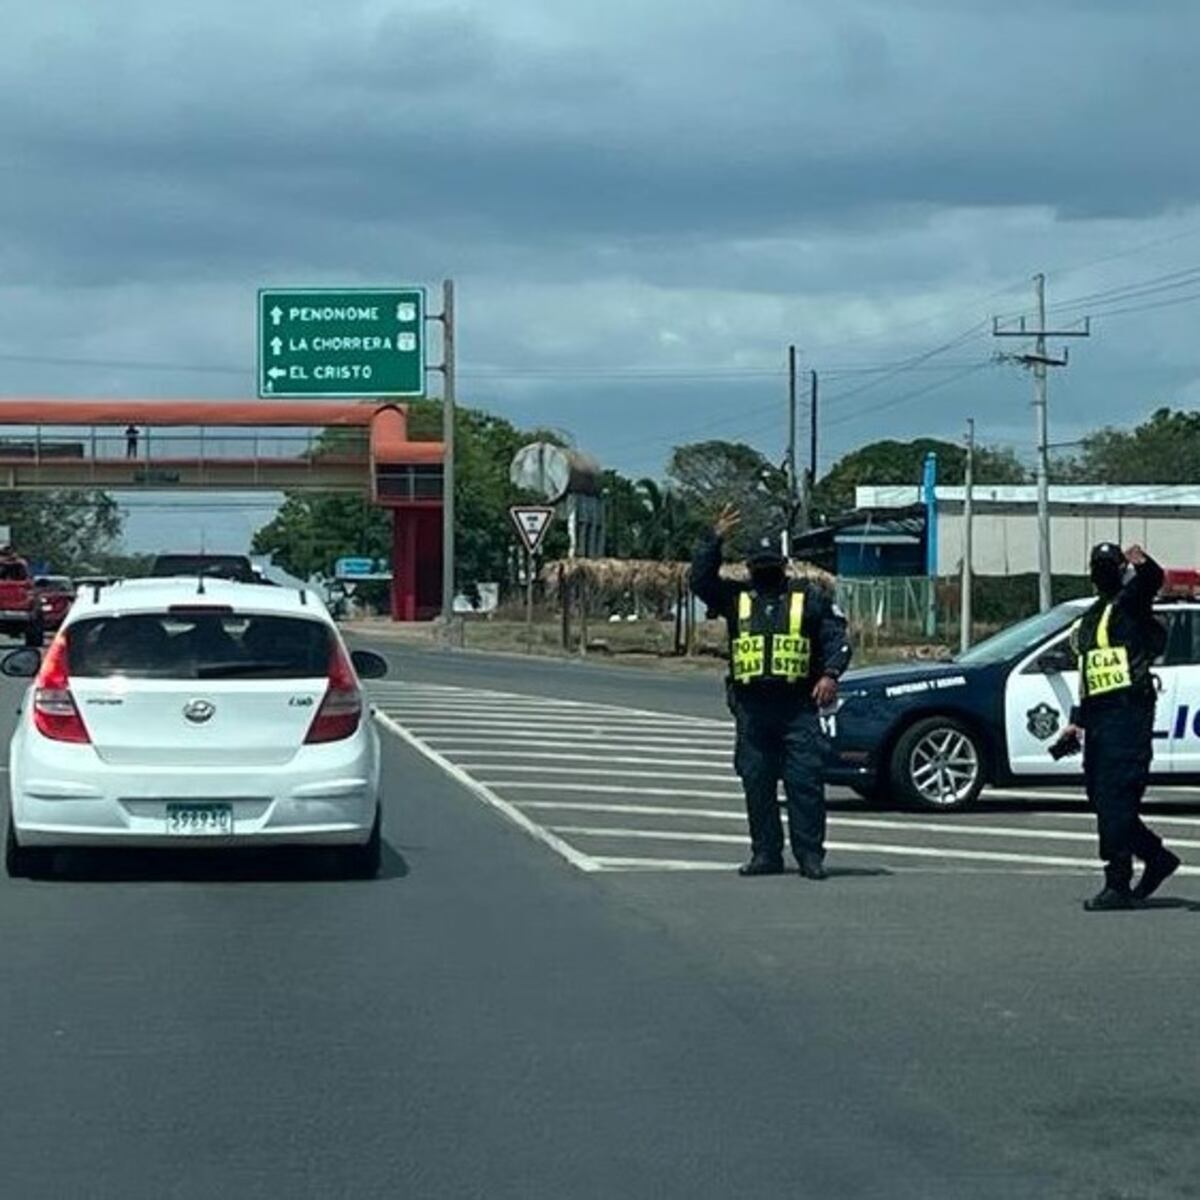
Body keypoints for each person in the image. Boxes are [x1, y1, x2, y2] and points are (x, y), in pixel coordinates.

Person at [691, 503, 852, 879]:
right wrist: (714, 540)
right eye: (759, 564)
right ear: (749, 567)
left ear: (783, 565)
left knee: (804, 783)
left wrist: (830, 674)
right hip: (752, 709)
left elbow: (836, 637)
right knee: (757, 782)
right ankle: (765, 854)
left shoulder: (807, 597)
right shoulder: (736, 599)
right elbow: (700, 581)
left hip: (798, 706)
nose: (765, 570)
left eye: (771, 564)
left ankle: (810, 857)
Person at [1056, 542, 1179, 911]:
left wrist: (1143, 564)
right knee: (1101, 797)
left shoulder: (1130, 604)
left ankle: (1118, 883)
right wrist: (1076, 722)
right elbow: (1090, 674)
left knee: (1116, 798)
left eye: (1110, 565)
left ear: (1121, 570)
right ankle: (1155, 856)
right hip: (1098, 719)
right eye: (1098, 565)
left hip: (1128, 716)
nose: (1102, 571)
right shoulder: (1092, 616)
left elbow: (1152, 580)